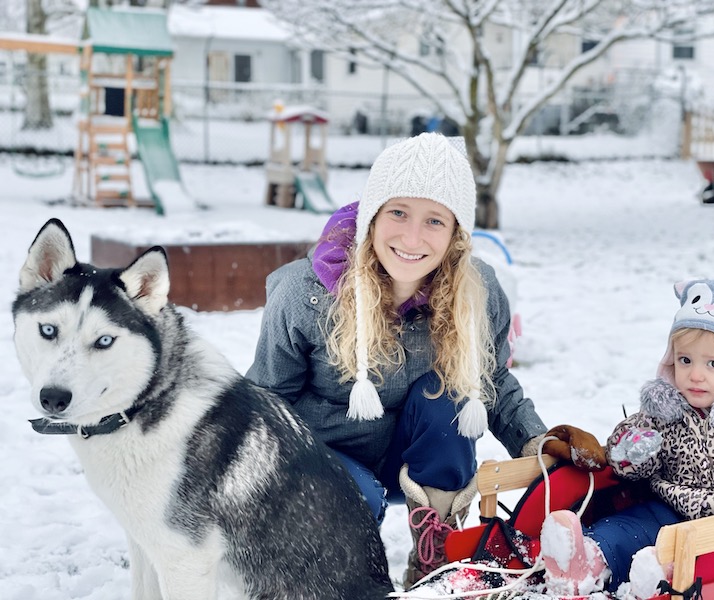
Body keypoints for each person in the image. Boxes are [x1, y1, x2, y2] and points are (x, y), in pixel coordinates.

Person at [246, 132, 606, 588]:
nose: (412, 237)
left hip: (421, 462)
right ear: (373, 215)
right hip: (325, 458)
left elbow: (490, 380)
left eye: (435, 220)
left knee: (452, 388)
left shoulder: (478, 293)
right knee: (350, 511)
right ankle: (340, 575)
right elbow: (265, 403)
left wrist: (536, 443)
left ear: (456, 232)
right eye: (398, 212)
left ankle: (435, 551)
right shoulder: (307, 296)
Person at [539, 279, 714, 599]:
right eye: (685, 360)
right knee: (628, 528)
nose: (695, 375)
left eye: (713, 364)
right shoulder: (667, 407)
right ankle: (585, 560)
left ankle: (657, 575)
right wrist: (633, 451)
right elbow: (630, 458)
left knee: (686, 550)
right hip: (671, 509)